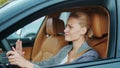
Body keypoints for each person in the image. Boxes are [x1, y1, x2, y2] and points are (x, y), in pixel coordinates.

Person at [7, 11, 99, 68]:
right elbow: (46, 64)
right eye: (66, 26)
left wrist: (27, 65)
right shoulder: (66, 49)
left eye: (70, 27)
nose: (65, 30)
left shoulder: (90, 56)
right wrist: (23, 61)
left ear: (83, 30)